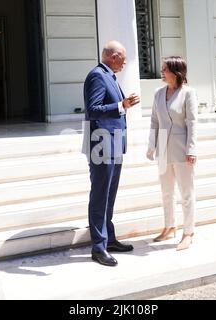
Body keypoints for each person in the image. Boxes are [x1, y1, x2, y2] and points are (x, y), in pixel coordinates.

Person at [82, 41, 140, 267]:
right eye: (123, 58)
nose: (125, 62)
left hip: (113, 144)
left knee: (110, 195)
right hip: (101, 145)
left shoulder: (110, 76)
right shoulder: (97, 75)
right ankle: (98, 247)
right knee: (100, 196)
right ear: (112, 56)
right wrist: (121, 105)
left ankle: (109, 238)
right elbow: (93, 109)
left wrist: (121, 105)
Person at [146, 56, 198, 251]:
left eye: (165, 69)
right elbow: (154, 121)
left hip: (182, 148)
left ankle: (188, 232)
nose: (162, 72)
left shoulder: (188, 93)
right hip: (162, 147)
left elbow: (192, 123)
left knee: (186, 192)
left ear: (176, 73)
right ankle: (169, 226)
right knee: (166, 191)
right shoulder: (158, 94)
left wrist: (191, 149)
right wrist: (151, 146)